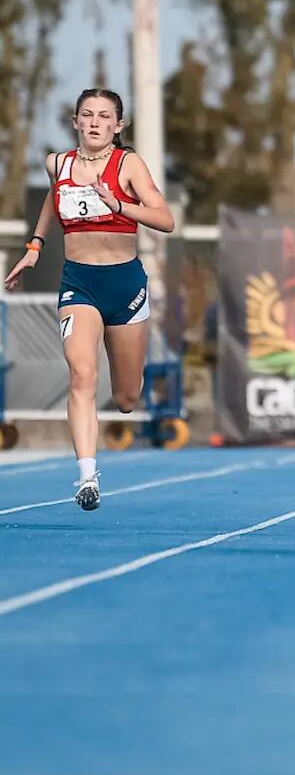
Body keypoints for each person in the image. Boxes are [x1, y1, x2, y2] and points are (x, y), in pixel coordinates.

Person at [4, 88, 175, 510]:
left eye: (104, 116)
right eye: (87, 115)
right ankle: (86, 476)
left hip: (126, 286)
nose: (95, 122)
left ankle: (121, 407)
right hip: (79, 284)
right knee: (81, 374)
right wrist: (35, 245)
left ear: (118, 126)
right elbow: (53, 195)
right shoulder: (58, 163)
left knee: (127, 398)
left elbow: (165, 219)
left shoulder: (128, 164)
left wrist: (119, 204)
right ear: (76, 121)